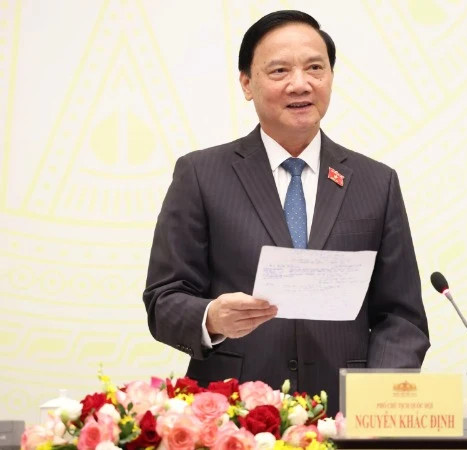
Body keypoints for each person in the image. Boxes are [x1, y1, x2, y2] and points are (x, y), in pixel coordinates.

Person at [143, 10, 430, 413]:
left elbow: (402, 318)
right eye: (279, 70)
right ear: (246, 83)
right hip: (234, 417)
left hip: (344, 417)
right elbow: (163, 298)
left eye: (316, 67)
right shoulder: (201, 175)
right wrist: (211, 317)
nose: (301, 84)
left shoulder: (375, 182)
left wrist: (374, 405)